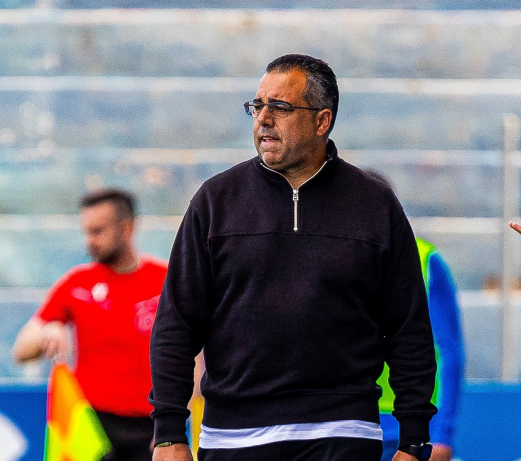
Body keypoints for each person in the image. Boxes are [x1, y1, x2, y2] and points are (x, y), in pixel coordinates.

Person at [148, 54, 437, 461]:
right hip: (232, 438)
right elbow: (176, 325)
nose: (263, 119)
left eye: (280, 107)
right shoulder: (215, 201)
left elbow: (409, 331)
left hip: (342, 433)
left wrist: (414, 441)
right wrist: (168, 433)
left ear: (322, 121)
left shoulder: (375, 205)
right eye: (257, 106)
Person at [13, 188, 168, 461]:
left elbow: (194, 354)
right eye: (86, 232)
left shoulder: (165, 281)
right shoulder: (77, 284)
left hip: (151, 425)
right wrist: (48, 330)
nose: (89, 241)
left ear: (127, 229)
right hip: (92, 426)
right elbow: (21, 351)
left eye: (98, 231)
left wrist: (174, 424)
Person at [364, 171, 465, 461]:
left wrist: (442, 433)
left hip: (409, 425)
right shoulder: (330, 259)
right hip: (347, 421)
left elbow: (449, 350)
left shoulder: (424, 259)